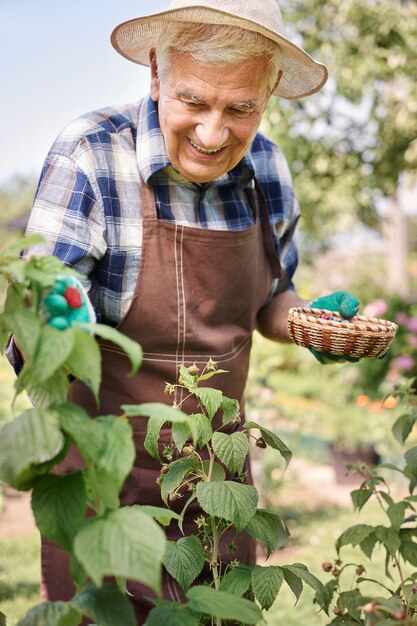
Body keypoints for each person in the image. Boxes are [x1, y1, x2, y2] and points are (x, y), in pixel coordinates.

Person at [9, 0, 360, 622]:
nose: (213, 133)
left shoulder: (267, 170)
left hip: (217, 476)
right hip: (104, 484)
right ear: (155, 73)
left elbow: (271, 301)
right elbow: (45, 295)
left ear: (271, 90)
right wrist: (53, 313)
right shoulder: (91, 152)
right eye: (193, 102)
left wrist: (307, 319)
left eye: (241, 109)